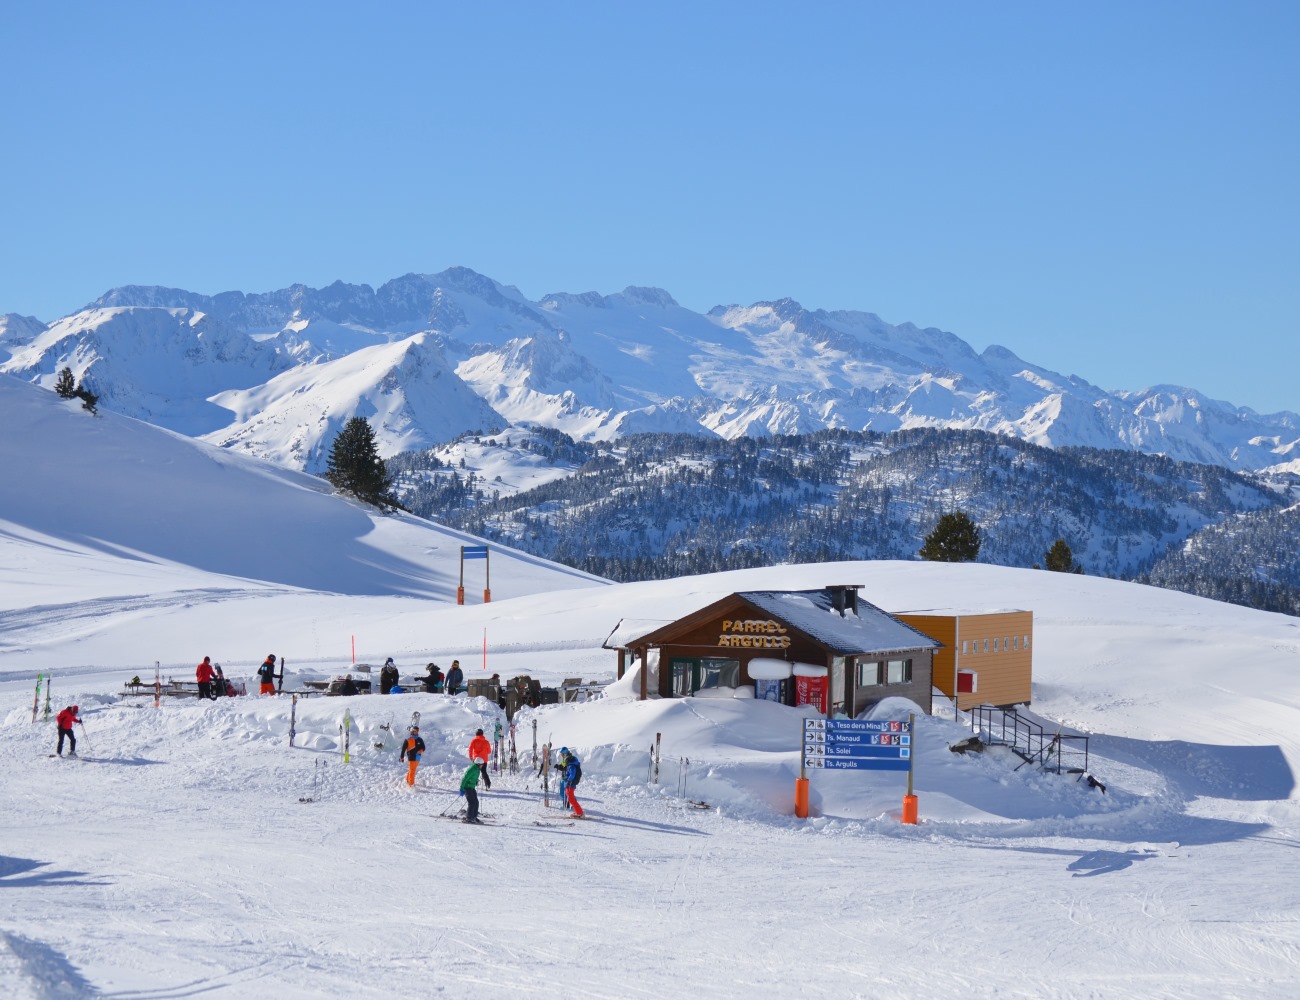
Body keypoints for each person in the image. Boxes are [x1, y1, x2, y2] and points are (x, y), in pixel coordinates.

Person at [459, 757, 486, 823]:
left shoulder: (477, 769)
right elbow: (465, 778)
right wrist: (461, 788)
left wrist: (476, 781)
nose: (482, 765)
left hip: (472, 787)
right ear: (478, 764)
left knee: (476, 802)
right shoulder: (472, 769)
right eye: (481, 764)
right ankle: (469, 818)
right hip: (467, 787)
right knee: (472, 802)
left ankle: (474, 817)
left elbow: (473, 777)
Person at [560, 748, 585, 818]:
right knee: (570, 797)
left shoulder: (570, 763)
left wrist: (568, 780)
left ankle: (580, 813)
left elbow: (572, 773)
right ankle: (578, 811)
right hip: (570, 782)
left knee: (571, 798)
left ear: (564, 754)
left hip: (571, 783)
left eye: (562, 754)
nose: (561, 755)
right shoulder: (570, 760)